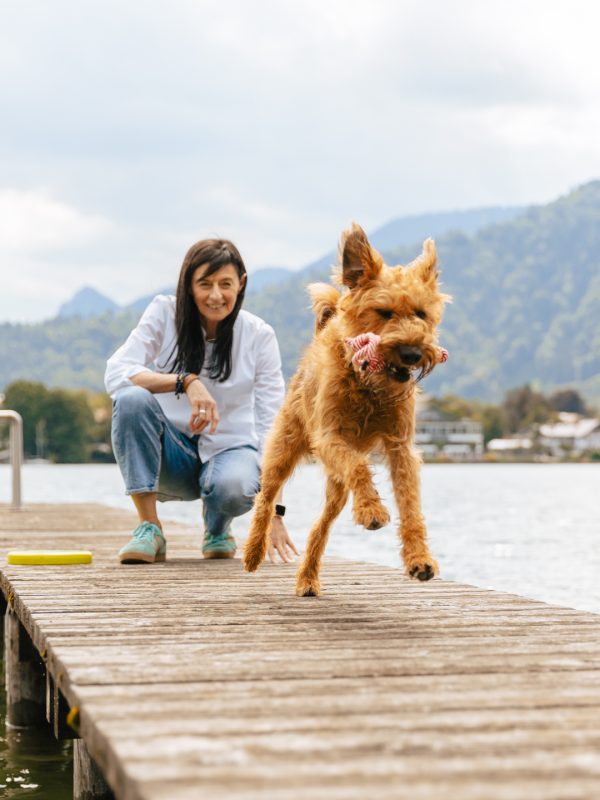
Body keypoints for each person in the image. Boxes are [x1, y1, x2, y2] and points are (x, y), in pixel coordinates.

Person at [104, 238, 299, 565]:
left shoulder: (259, 335)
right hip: (172, 456)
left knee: (235, 486)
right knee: (131, 399)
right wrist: (184, 381)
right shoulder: (164, 313)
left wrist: (274, 514)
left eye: (226, 284)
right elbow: (116, 373)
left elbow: (273, 430)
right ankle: (149, 527)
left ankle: (218, 526)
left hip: (230, 452)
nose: (215, 295)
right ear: (188, 285)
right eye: (204, 284)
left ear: (242, 284)